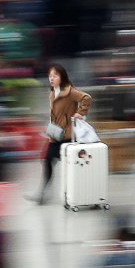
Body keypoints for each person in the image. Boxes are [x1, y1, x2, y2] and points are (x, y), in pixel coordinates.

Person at [26, 64, 91, 204]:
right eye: (50, 75)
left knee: (72, 164)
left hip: (67, 136)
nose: (51, 78)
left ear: (62, 77)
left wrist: (80, 113)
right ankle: (42, 194)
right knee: (47, 160)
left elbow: (86, 98)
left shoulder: (70, 92)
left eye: (55, 75)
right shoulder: (53, 92)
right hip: (55, 135)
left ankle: (81, 191)